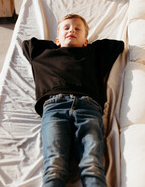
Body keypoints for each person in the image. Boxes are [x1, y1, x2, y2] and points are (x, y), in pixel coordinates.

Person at [22, 14, 124, 187]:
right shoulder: (43, 53)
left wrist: (85, 45)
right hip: (54, 108)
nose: (72, 30)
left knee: (91, 164)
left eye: (78, 29)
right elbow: (27, 43)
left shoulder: (93, 54)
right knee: (55, 166)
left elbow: (117, 45)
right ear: (56, 39)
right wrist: (59, 43)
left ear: (86, 41)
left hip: (88, 108)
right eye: (66, 28)